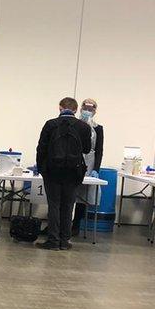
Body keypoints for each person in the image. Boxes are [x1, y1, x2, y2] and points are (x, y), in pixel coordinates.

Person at [35, 97, 92, 250]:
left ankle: (53, 240)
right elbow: (86, 149)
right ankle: (65, 241)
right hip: (73, 173)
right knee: (68, 206)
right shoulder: (84, 127)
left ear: (60, 108)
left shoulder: (50, 124)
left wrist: (41, 169)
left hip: (53, 171)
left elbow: (41, 148)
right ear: (75, 110)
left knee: (54, 205)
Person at [71, 98, 104, 236]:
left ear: (95, 111)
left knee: (83, 196)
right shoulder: (74, 124)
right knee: (68, 192)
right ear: (80, 109)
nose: (87, 112)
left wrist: (96, 169)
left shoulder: (98, 128)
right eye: (85, 109)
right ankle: (60, 224)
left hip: (89, 163)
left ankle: (76, 225)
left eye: (90, 110)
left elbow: (99, 150)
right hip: (73, 160)